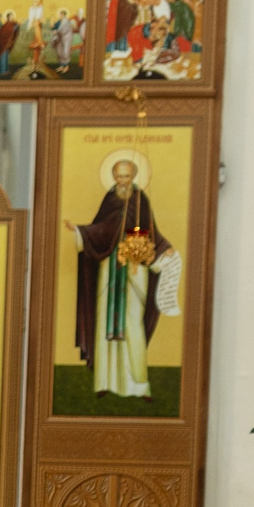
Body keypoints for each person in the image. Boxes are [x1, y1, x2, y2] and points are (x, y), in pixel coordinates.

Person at [68, 156, 172, 399]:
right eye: (118, 176)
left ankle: (139, 384)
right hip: (109, 268)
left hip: (134, 271)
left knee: (133, 324)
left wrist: (164, 246)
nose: (121, 181)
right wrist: (80, 232)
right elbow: (101, 230)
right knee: (105, 322)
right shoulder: (110, 199)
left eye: (126, 176)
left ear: (133, 177)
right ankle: (105, 381)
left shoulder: (139, 200)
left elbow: (151, 230)